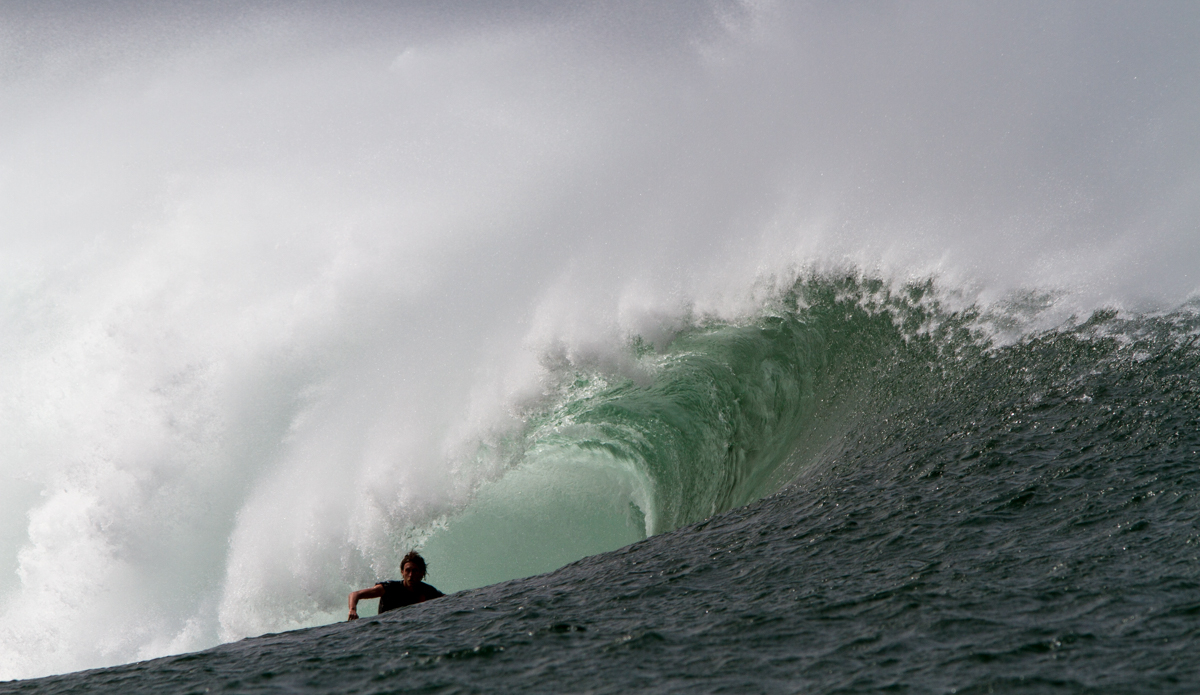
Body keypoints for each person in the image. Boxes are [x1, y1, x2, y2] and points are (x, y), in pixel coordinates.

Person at [347, 551, 444, 620]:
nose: (411, 575)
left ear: (421, 573)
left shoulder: (428, 591)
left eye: (414, 571)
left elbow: (446, 600)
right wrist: (352, 610)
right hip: (385, 628)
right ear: (402, 572)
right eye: (407, 570)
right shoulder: (389, 588)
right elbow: (355, 594)